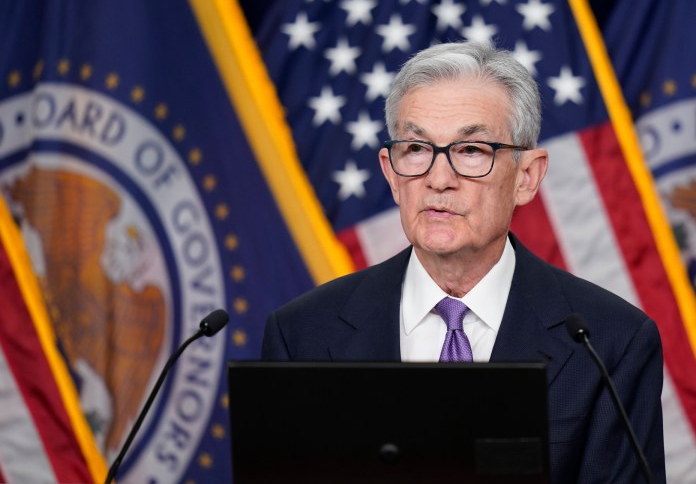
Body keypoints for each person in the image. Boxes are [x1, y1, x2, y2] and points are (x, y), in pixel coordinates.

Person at [262, 41, 666, 482]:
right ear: (391, 173)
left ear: (526, 177)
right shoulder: (301, 334)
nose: (438, 179)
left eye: (471, 151)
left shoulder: (611, 343)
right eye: (416, 149)